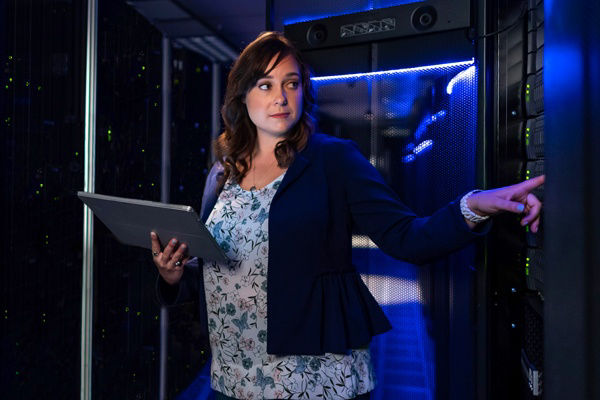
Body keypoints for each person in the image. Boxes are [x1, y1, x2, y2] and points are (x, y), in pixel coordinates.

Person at [150, 32, 544, 400]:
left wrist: (474, 206)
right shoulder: (223, 171)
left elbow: (406, 237)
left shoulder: (333, 160)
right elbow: (216, 261)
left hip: (311, 373)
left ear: (304, 91)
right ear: (242, 96)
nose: (281, 98)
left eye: (291, 83)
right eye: (265, 85)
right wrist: (175, 276)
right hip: (232, 371)